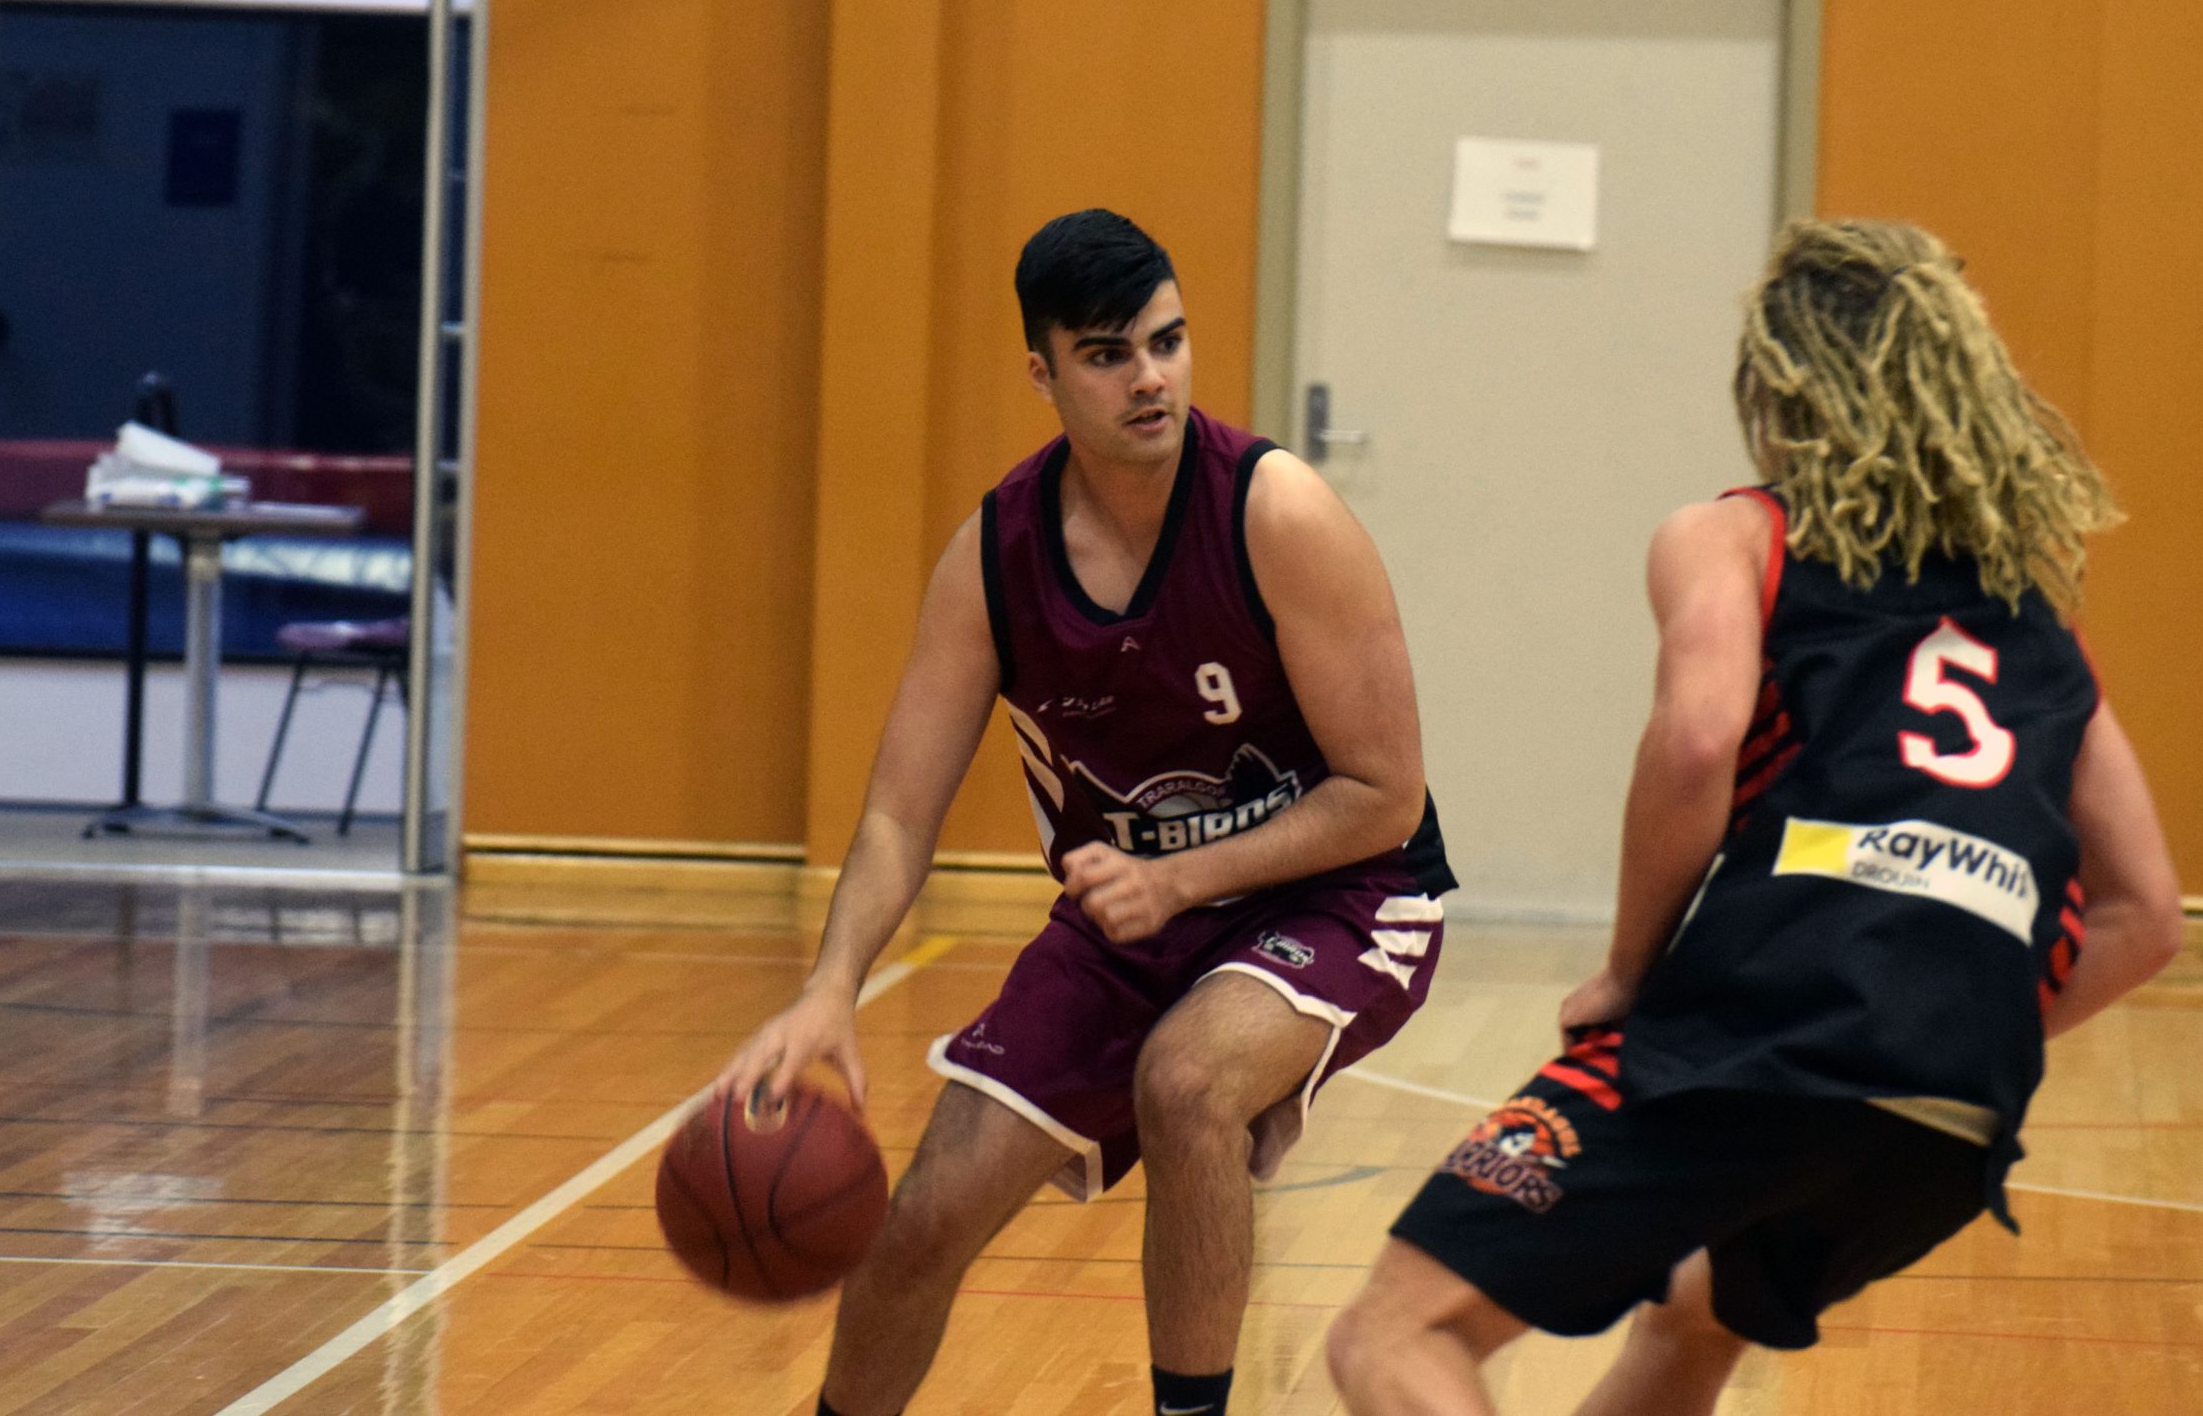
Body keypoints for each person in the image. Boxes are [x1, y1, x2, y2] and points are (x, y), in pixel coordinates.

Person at [1327, 218, 2186, 1416]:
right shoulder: (2032, 618)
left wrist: (1630, 971)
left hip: (1769, 1023)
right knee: (1693, 1318)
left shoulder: (1738, 536)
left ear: (1777, 387)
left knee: (1392, 1337)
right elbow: (2147, 916)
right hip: (1954, 1108)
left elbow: (1695, 738)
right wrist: (1963, 1026)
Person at [715, 208, 1457, 1416]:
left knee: (1187, 1084)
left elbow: (1384, 798)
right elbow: (898, 814)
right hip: (1133, 922)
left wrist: (1178, 878)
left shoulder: (1275, 511)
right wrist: (829, 989)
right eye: (1108, 355)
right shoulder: (993, 559)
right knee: (924, 1217)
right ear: (1043, 372)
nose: (1149, 377)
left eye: (1166, 341)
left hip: (1344, 891)